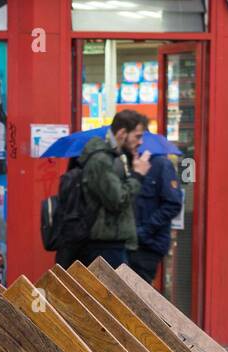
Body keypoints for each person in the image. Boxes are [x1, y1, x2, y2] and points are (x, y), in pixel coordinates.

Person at [74, 109, 151, 268]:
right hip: (105, 245)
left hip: (113, 242)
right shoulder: (101, 159)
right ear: (122, 133)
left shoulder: (116, 157)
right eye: (137, 136)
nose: (141, 141)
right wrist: (137, 176)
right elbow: (118, 199)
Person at [129, 143, 184, 283]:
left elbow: (173, 203)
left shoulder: (161, 164)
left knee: (137, 294)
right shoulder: (124, 163)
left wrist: (144, 231)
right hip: (125, 243)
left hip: (147, 245)